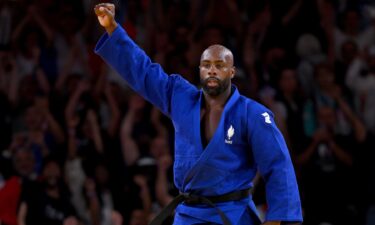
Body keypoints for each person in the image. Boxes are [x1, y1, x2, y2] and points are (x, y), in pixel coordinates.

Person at [93, 3, 303, 225]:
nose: (212, 69)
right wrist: (113, 29)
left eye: (219, 65)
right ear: (200, 70)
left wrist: (277, 220)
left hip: (231, 214)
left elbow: (278, 165)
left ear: (231, 72)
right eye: (206, 65)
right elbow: (144, 72)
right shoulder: (181, 98)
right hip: (189, 215)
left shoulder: (252, 113)